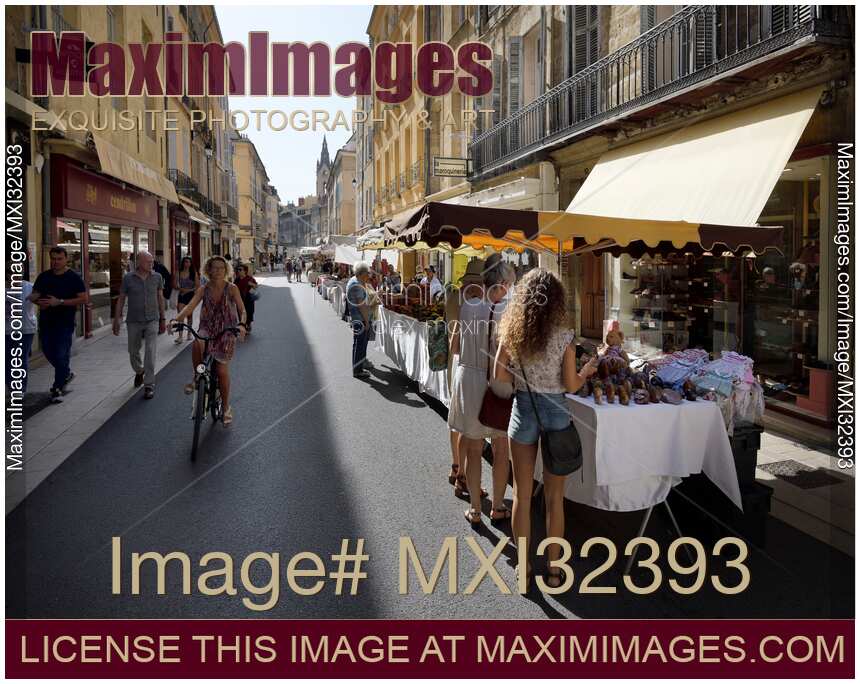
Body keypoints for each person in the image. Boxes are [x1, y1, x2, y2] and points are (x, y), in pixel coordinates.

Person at [494, 268, 598, 589]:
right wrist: (587, 371)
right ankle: (554, 568)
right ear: (556, 301)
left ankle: (523, 568)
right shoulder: (564, 337)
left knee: (522, 496)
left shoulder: (512, 333)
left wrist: (522, 377)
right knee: (555, 498)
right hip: (556, 415)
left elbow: (499, 377)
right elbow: (570, 384)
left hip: (523, 411)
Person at [448, 254, 516, 527]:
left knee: (474, 448)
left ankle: (475, 508)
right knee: (501, 448)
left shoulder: (467, 307)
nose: (510, 289)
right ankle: (498, 506)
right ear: (500, 283)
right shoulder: (508, 312)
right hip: (497, 381)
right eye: (509, 284)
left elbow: (456, 347)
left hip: (469, 379)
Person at [172, 256, 247, 425]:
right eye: (214, 267)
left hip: (226, 330)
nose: (218, 271)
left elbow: (242, 310)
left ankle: (226, 407)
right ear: (209, 269)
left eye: (221, 268)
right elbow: (190, 306)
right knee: (197, 342)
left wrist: (242, 324)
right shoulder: (204, 289)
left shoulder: (232, 288)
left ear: (226, 270)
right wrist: (176, 319)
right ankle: (196, 377)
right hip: (207, 327)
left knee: (221, 371)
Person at [444, 258, 485, 495]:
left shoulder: (453, 297)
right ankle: (464, 476)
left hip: (455, 361)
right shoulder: (474, 302)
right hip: (467, 361)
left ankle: (456, 466)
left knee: (456, 417)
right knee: (469, 423)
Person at [29, 247, 88, 403]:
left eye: (59, 259)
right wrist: (35, 300)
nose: (56, 262)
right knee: (48, 352)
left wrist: (60, 302)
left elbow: (83, 299)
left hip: (65, 323)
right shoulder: (44, 276)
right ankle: (66, 374)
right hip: (46, 322)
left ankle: (57, 388)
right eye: (53, 259)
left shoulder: (74, 278)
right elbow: (36, 294)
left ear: (66, 259)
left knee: (61, 355)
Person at [112, 251, 166, 399]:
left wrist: (163, 319)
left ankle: (149, 384)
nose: (152, 264)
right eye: (149, 262)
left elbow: (160, 298)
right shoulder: (128, 278)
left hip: (152, 320)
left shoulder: (157, 277)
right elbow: (121, 299)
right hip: (134, 320)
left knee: (150, 350)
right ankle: (139, 371)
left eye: (152, 262)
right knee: (133, 350)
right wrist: (116, 319)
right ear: (139, 262)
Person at [6, 271, 38, 394]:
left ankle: (20, 388)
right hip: (6, 330)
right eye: (11, 271)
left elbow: (42, 300)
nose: (14, 274)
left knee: (20, 358)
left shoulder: (30, 287)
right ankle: (11, 385)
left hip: (26, 329)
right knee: (7, 359)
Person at [346, 261, 374, 379]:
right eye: (367, 273)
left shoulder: (356, 281)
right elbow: (361, 305)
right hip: (360, 319)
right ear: (362, 273)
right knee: (360, 344)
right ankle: (358, 370)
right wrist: (367, 322)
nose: (369, 275)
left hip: (358, 318)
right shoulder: (356, 284)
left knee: (359, 343)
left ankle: (360, 366)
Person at [173, 257, 199, 344]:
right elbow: (174, 285)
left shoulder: (193, 273)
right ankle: (180, 336)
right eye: (185, 262)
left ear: (191, 264)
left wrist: (189, 290)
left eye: (188, 262)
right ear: (183, 263)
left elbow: (197, 286)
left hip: (190, 295)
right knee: (180, 315)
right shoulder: (178, 273)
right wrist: (180, 288)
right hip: (181, 295)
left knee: (189, 315)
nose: (187, 264)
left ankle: (189, 333)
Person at [234, 264, 258, 333]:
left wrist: (251, 284)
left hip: (248, 299)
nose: (238, 271)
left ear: (245, 271)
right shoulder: (237, 280)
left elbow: (256, 286)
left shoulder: (249, 278)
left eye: (240, 269)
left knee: (249, 312)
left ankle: (248, 324)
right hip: (239, 299)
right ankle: (243, 326)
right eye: (238, 269)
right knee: (240, 313)